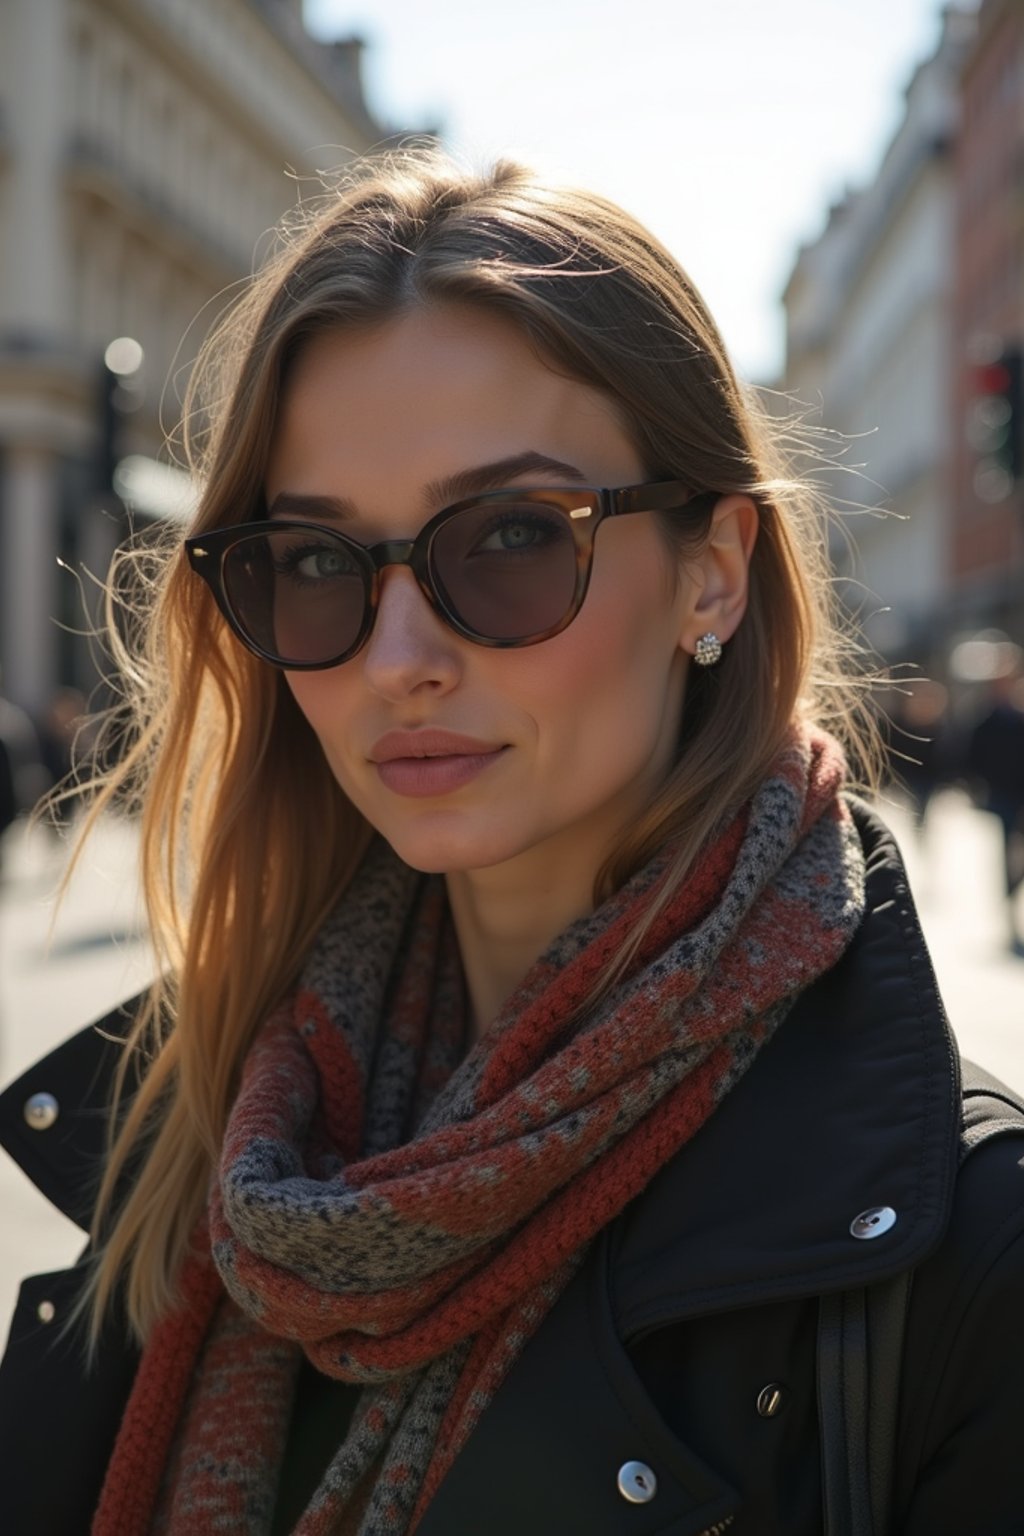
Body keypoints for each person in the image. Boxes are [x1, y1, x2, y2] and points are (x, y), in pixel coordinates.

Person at [1, 150, 1022, 1536]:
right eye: (315, 561)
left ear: (711, 574)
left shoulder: (969, 1259)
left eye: (512, 538)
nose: (399, 658)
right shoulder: (198, 1137)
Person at [965, 655, 1024, 954]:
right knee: (1008, 852)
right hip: (1002, 795)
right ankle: (1010, 905)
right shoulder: (985, 719)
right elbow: (973, 755)